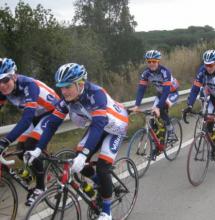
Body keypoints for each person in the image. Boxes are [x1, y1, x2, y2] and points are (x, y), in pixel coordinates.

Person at [26, 63, 128, 220]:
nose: (64, 91)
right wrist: (38, 149)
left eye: (67, 87)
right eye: (61, 87)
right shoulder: (68, 99)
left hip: (116, 128)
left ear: (80, 84)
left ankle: (107, 212)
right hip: (98, 127)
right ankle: (101, 184)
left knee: (102, 167)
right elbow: (53, 123)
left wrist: (84, 153)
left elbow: (99, 124)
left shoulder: (96, 93)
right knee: (78, 161)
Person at [0, 58, 60, 206]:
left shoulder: (29, 85)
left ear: (14, 75)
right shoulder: (2, 89)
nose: (2, 85)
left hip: (52, 113)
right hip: (35, 116)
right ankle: (39, 171)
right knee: (20, 150)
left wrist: (4, 141)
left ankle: (40, 187)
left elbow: (26, 119)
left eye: (5, 79)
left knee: (30, 146)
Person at [183, 49, 215, 150]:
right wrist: (190, 105)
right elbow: (195, 90)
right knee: (208, 117)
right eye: (206, 65)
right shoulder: (202, 71)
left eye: (211, 65)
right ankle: (212, 141)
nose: (208, 68)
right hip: (213, 96)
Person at [129, 50, 179, 141]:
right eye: (149, 62)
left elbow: (166, 91)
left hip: (171, 93)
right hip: (160, 94)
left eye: (154, 61)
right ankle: (158, 141)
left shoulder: (165, 72)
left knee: (162, 107)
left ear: (158, 61)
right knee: (152, 115)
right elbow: (141, 89)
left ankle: (171, 131)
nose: (151, 64)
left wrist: (159, 106)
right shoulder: (146, 73)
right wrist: (137, 105)